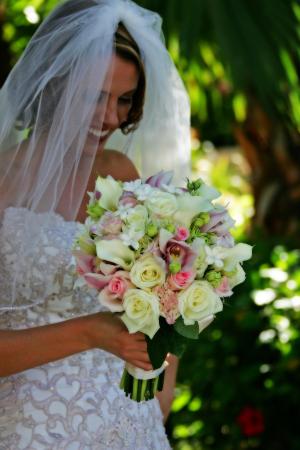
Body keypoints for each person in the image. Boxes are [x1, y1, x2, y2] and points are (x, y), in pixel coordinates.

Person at [0, 0, 190, 448]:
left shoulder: (123, 176)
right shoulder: (4, 180)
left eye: (124, 100)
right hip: (30, 427)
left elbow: (164, 299)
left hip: (127, 424)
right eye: (94, 97)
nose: (111, 119)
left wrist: (160, 392)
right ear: (53, 83)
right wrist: (89, 333)